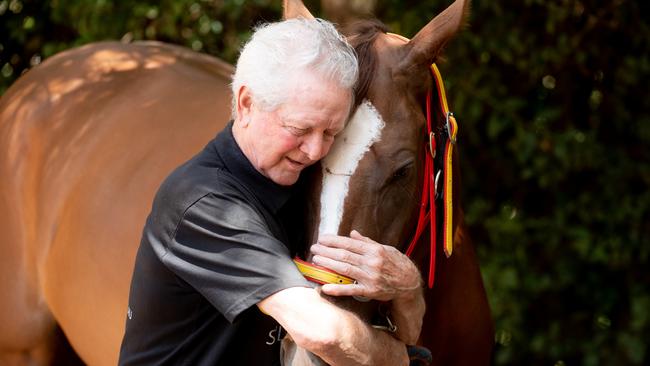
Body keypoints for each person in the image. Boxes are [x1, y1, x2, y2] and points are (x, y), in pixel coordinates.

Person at [118, 18, 425, 366]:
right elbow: (320, 332)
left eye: (331, 133)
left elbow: (410, 328)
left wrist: (407, 285)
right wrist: (399, 358)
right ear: (247, 103)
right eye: (300, 128)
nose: (314, 151)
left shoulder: (298, 180)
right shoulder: (204, 203)